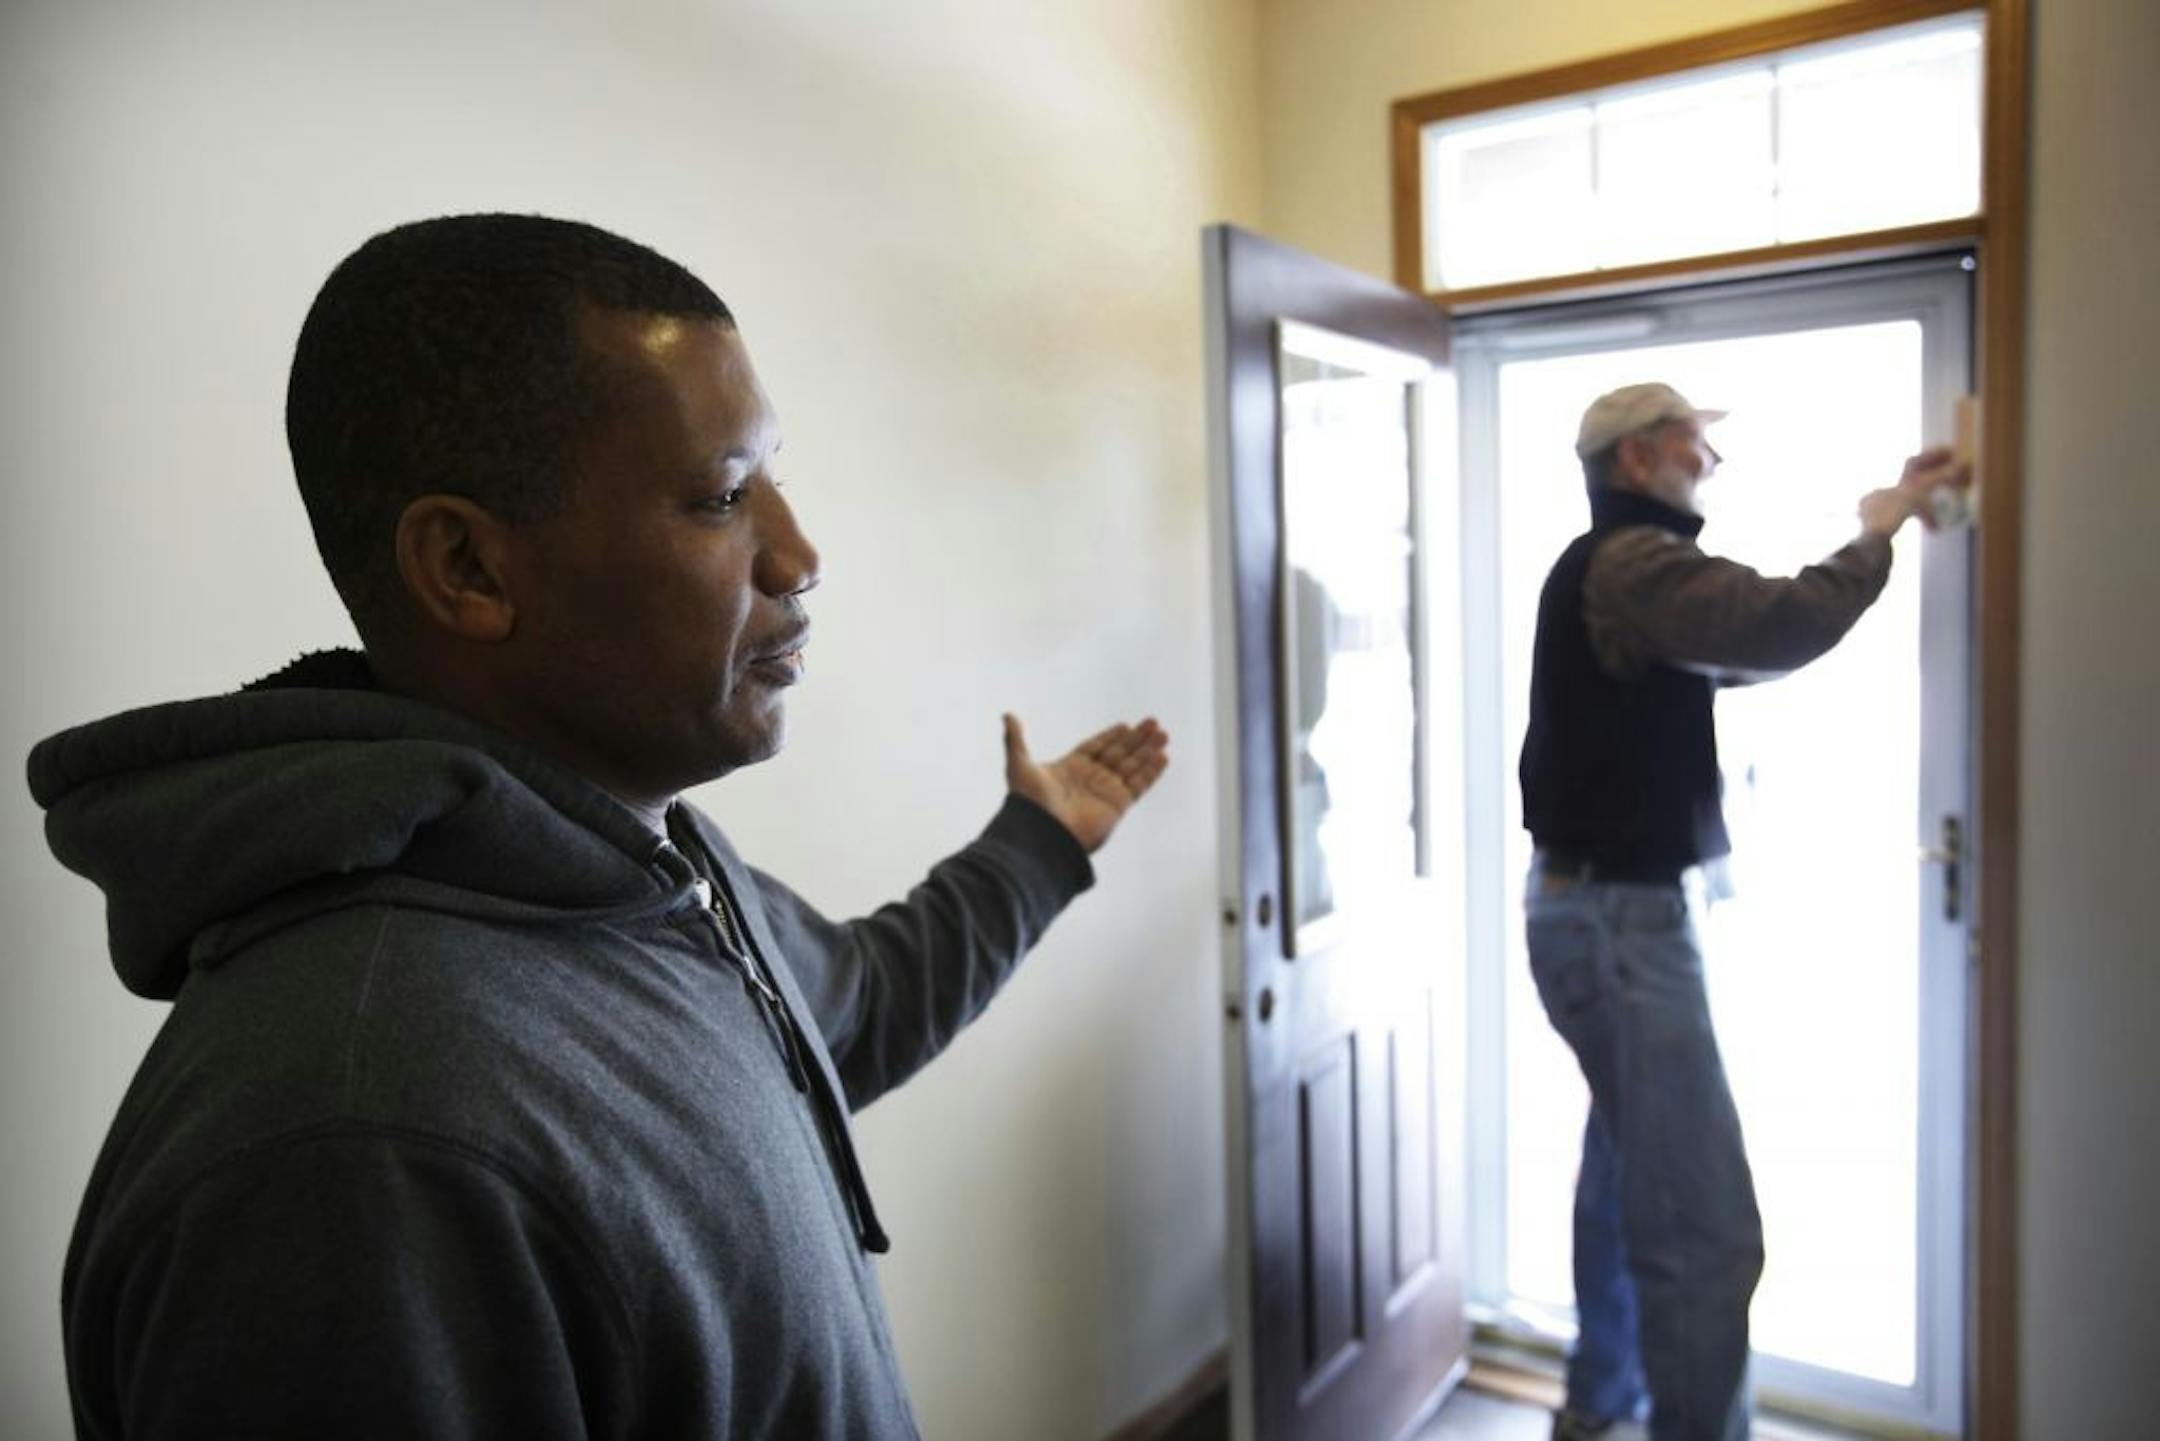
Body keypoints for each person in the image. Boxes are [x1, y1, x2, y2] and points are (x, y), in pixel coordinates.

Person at [27, 213, 1169, 1440]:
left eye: (773, 476)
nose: (798, 552)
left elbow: (844, 1010)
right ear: (467, 567)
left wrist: (1038, 847)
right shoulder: (354, 1148)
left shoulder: (640, 863)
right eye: (725, 495)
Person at [1517, 383, 1962, 1441]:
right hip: (1617, 925)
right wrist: (1879, 524)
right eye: (1694, 444)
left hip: (1599, 911)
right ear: (1636, 462)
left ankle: (1598, 1400)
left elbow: (1727, 653)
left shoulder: (1617, 571)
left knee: (1629, 1173)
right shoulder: (1633, 565)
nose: (1711, 464)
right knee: (1706, 1227)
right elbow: (1779, 622)